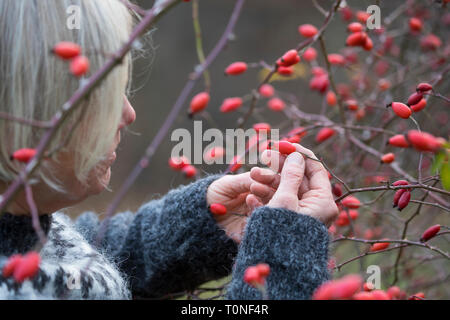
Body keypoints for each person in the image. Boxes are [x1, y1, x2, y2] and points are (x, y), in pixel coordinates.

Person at [0, 0, 338, 299]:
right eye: (102, 95)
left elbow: (84, 251)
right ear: (25, 114)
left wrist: (205, 223)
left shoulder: (22, 230)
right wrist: (285, 259)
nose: (128, 115)